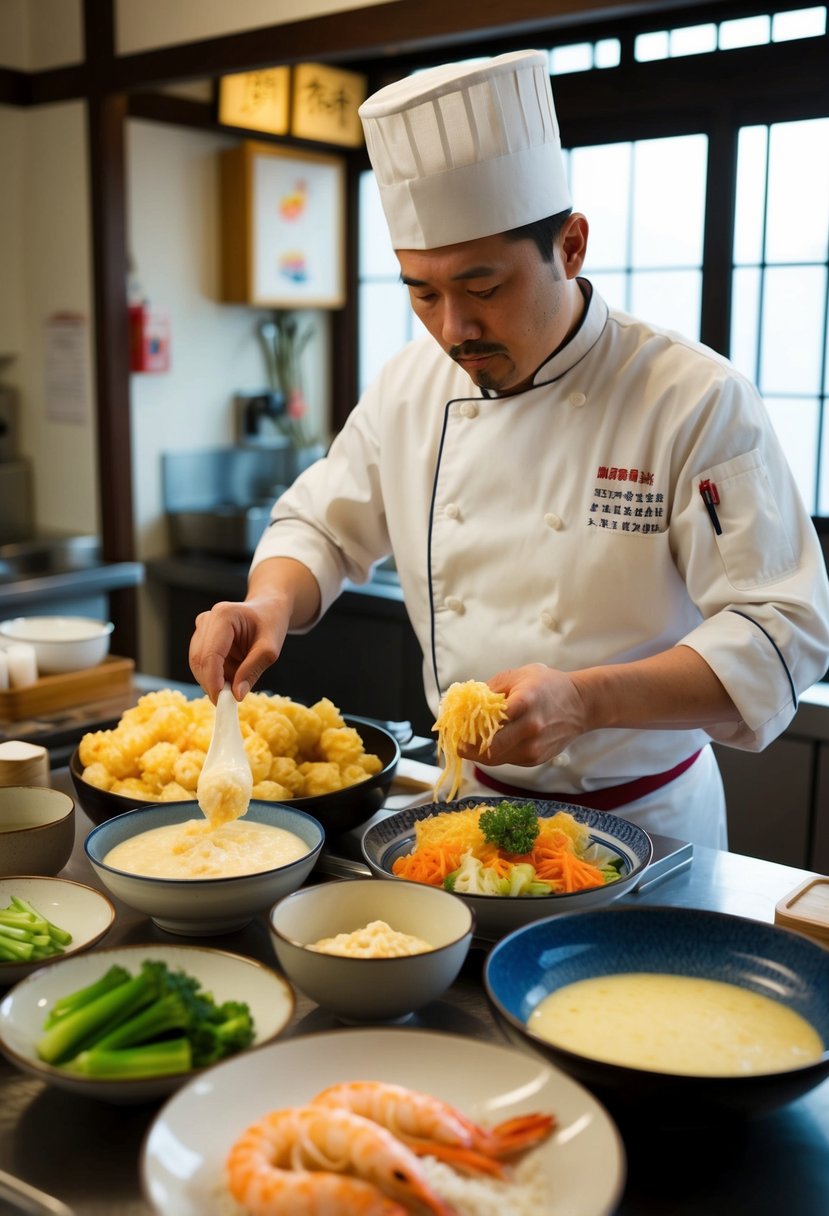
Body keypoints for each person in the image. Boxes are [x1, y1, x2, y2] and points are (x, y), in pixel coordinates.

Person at [189, 50, 829, 849]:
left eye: (483, 288)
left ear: (569, 245)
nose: (453, 329)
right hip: (464, 809)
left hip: (647, 827)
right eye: (422, 292)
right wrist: (267, 604)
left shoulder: (690, 398)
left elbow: (780, 635)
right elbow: (321, 525)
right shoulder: (411, 385)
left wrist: (586, 700)